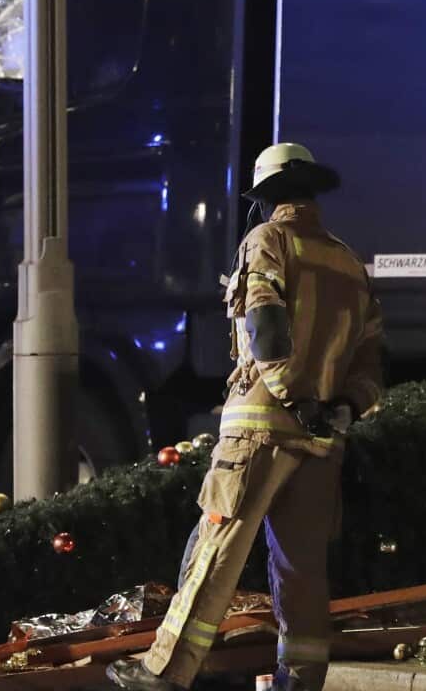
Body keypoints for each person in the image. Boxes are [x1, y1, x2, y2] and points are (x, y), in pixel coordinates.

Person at [107, 143, 385, 691]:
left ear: (268, 198)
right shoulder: (349, 261)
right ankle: (300, 680)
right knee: (302, 570)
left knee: (216, 549)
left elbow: (263, 326)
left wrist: (290, 396)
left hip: (261, 428)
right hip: (323, 440)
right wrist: (341, 409)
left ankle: (165, 671)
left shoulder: (266, 240)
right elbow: (370, 359)